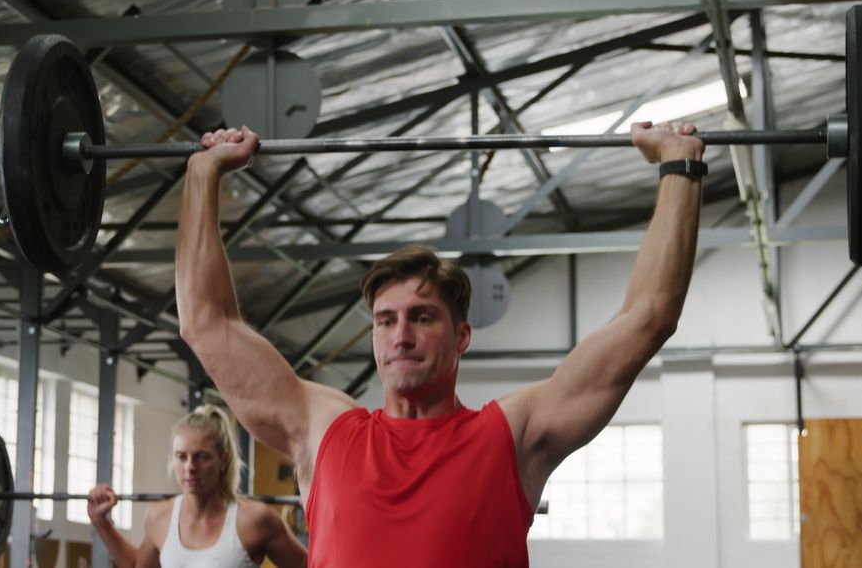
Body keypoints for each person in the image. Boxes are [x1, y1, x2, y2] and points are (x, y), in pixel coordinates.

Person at [176, 122, 705, 566]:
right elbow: (206, 323)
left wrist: (679, 168)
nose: (400, 336)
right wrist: (203, 175)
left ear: (463, 337)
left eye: (422, 317)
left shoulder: (512, 436)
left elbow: (648, 317)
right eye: (385, 321)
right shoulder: (323, 429)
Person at [86, 404, 308, 568]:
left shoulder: (254, 520)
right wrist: (100, 521)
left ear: (224, 460)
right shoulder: (159, 517)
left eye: (202, 457)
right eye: (181, 457)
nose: (190, 467)